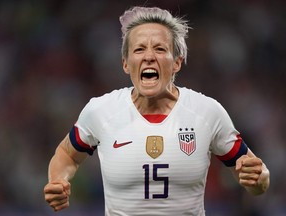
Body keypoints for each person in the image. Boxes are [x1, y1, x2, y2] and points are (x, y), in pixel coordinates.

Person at [44, 6, 270, 215]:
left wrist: (258, 180)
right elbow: (66, 154)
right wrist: (57, 180)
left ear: (177, 63)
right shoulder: (101, 111)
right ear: (125, 63)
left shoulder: (207, 112)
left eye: (160, 49)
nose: (149, 56)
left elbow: (256, 177)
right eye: (139, 49)